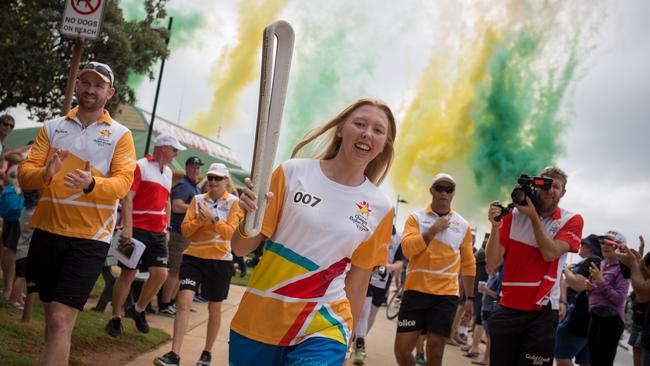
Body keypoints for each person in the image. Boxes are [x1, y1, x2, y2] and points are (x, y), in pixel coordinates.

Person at [228, 98, 396, 366]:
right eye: (360, 123)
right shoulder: (292, 173)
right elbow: (240, 248)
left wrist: (348, 338)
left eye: (378, 130)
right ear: (340, 129)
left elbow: (359, 277)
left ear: (384, 144)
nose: (367, 133)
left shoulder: (380, 207)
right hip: (261, 316)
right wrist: (249, 216)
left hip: (325, 324)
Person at [18, 61, 136, 365]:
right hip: (47, 232)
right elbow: (25, 173)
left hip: (88, 240)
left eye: (98, 85)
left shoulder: (120, 135)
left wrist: (92, 183)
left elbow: (123, 183)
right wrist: (46, 172)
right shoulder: (52, 127)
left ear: (109, 92)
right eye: (85, 82)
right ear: (77, 86)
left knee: (59, 322)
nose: (89, 89)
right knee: (55, 324)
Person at [485, 166, 584, 366]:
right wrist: (495, 227)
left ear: (563, 193)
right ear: (535, 185)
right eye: (545, 184)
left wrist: (532, 217)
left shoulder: (571, 220)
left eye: (556, 186)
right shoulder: (512, 217)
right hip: (507, 307)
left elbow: (550, 253)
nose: (550, 190)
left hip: (543, 312)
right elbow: (492, 265)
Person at [155, 163, 242, 366]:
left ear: (226, 181)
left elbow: (231, 233)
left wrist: (212, 220)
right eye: (210, 177)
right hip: (193, 258)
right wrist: (200, 222)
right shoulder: (197, 200)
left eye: (217, 178)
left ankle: (207, 352)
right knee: (184, 302)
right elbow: (186, 231)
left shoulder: (234, 203)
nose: (212, 182)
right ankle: (174, 354)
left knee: (214, 308)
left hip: (220, 261)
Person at [106, 133, 186, 337]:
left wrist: (167, 228)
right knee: (128, 274)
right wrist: (128, 227)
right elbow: (128, 197)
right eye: (173, 150)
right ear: (163, 148)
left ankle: (138, 309)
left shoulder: (168, 173)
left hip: (158, 232)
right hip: (136, 229)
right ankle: (115, 318)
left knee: (161, 274)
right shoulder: (140, 166)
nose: (175, 154)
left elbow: (166, 202)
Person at [394, 173, 476, 366]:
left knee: (436, 349)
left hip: (445, 296)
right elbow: (407, 249)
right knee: (402, 351)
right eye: (439, 188)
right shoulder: (416, 218)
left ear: (453, 194)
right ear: (431, 191)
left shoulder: (463, 225)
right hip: (415, 292)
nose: (444, 193)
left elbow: (468, 264)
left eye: (449, 189)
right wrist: (432, 230)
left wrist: (470, 299)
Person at [158, 156, 204, 316]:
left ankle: (173, 302)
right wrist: (197, 207)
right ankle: (165, 303)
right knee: (174, 271)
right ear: (186, 168)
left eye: (197, 168)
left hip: (188, 234)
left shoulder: (194, 187)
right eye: (192, 167)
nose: (195, 170)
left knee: (180, 272)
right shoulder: (184, 185)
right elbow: (176, 206)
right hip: (178, 233)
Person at [352, 225, 404, 365]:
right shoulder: (375, 229)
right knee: (364, 310)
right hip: (367, 277)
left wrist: (391, 267)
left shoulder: (398, 238)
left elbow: (400, 261)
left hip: (383, 282)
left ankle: (359, 338)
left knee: (372, 314)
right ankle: (360, 343)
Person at [554, 234, 602, 366]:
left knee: (561, 355)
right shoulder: (598, 263)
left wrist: (564, 268)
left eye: (583, 244)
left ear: (590, 247)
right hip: (590, 319)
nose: (580, 246)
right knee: (585, 361)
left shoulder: (592, 261)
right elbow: (566, 283)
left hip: (578, 318)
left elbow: (578, 284)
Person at [585, 231, 630, 366]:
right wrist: (589, 289)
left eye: (610, 242)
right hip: (596, 316)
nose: (604, 245)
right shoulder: (602, 264)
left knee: (604, 362)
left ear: (619, 247)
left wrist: (600, 281)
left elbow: (619, 299)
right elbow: (597, 294)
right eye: (602, 242)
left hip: (611, 319)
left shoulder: (623, 269)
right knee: (593, 361)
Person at [462, 233, 490, 359]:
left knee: (478, 318)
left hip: (480, 290)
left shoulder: (480, 254)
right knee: (477, 318)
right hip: (480, 289)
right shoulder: (483, 255)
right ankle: (473, 345)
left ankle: (474, 346)